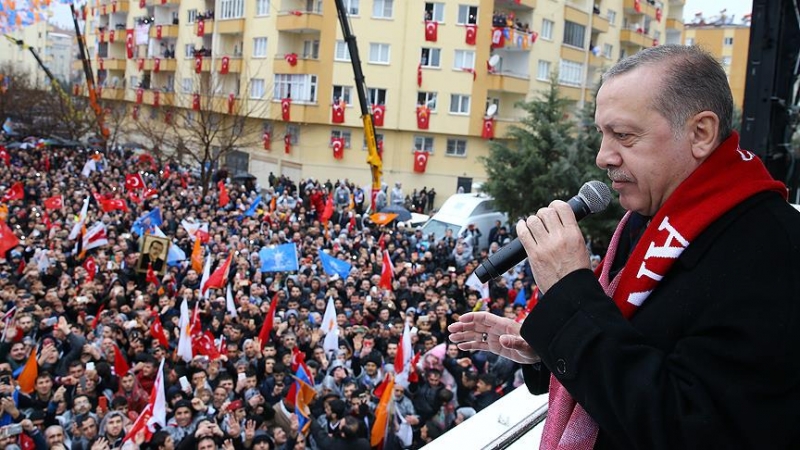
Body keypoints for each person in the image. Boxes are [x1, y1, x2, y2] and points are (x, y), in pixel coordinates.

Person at [448, 44, 800, 449]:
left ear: (700, 132)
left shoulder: (773, 250)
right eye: (602, 134)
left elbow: (686, 425)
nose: (602, 157)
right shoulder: (648, 219)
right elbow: (636, 344)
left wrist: (569, 292)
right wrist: (546, 348)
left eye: (624, 135)